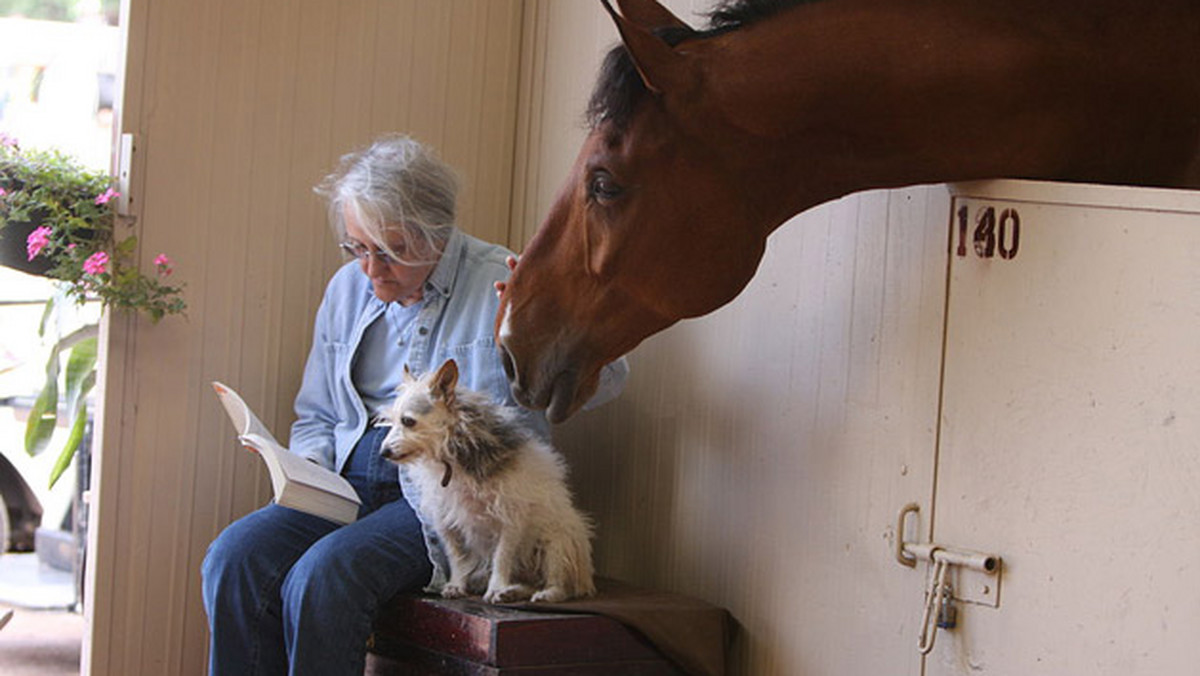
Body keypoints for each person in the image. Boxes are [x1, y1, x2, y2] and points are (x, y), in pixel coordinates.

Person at [201, 134, 628, 676]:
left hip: (449, 496)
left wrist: (555, 324)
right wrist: (305, 473)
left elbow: (610, 381)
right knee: (233, 558)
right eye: (358, 247)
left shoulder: (502, 279)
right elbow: (318, 413)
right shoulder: (346, 290)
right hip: (343, 482)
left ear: (438, 236)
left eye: (392, 251)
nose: (371, 270)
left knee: (323, 577)